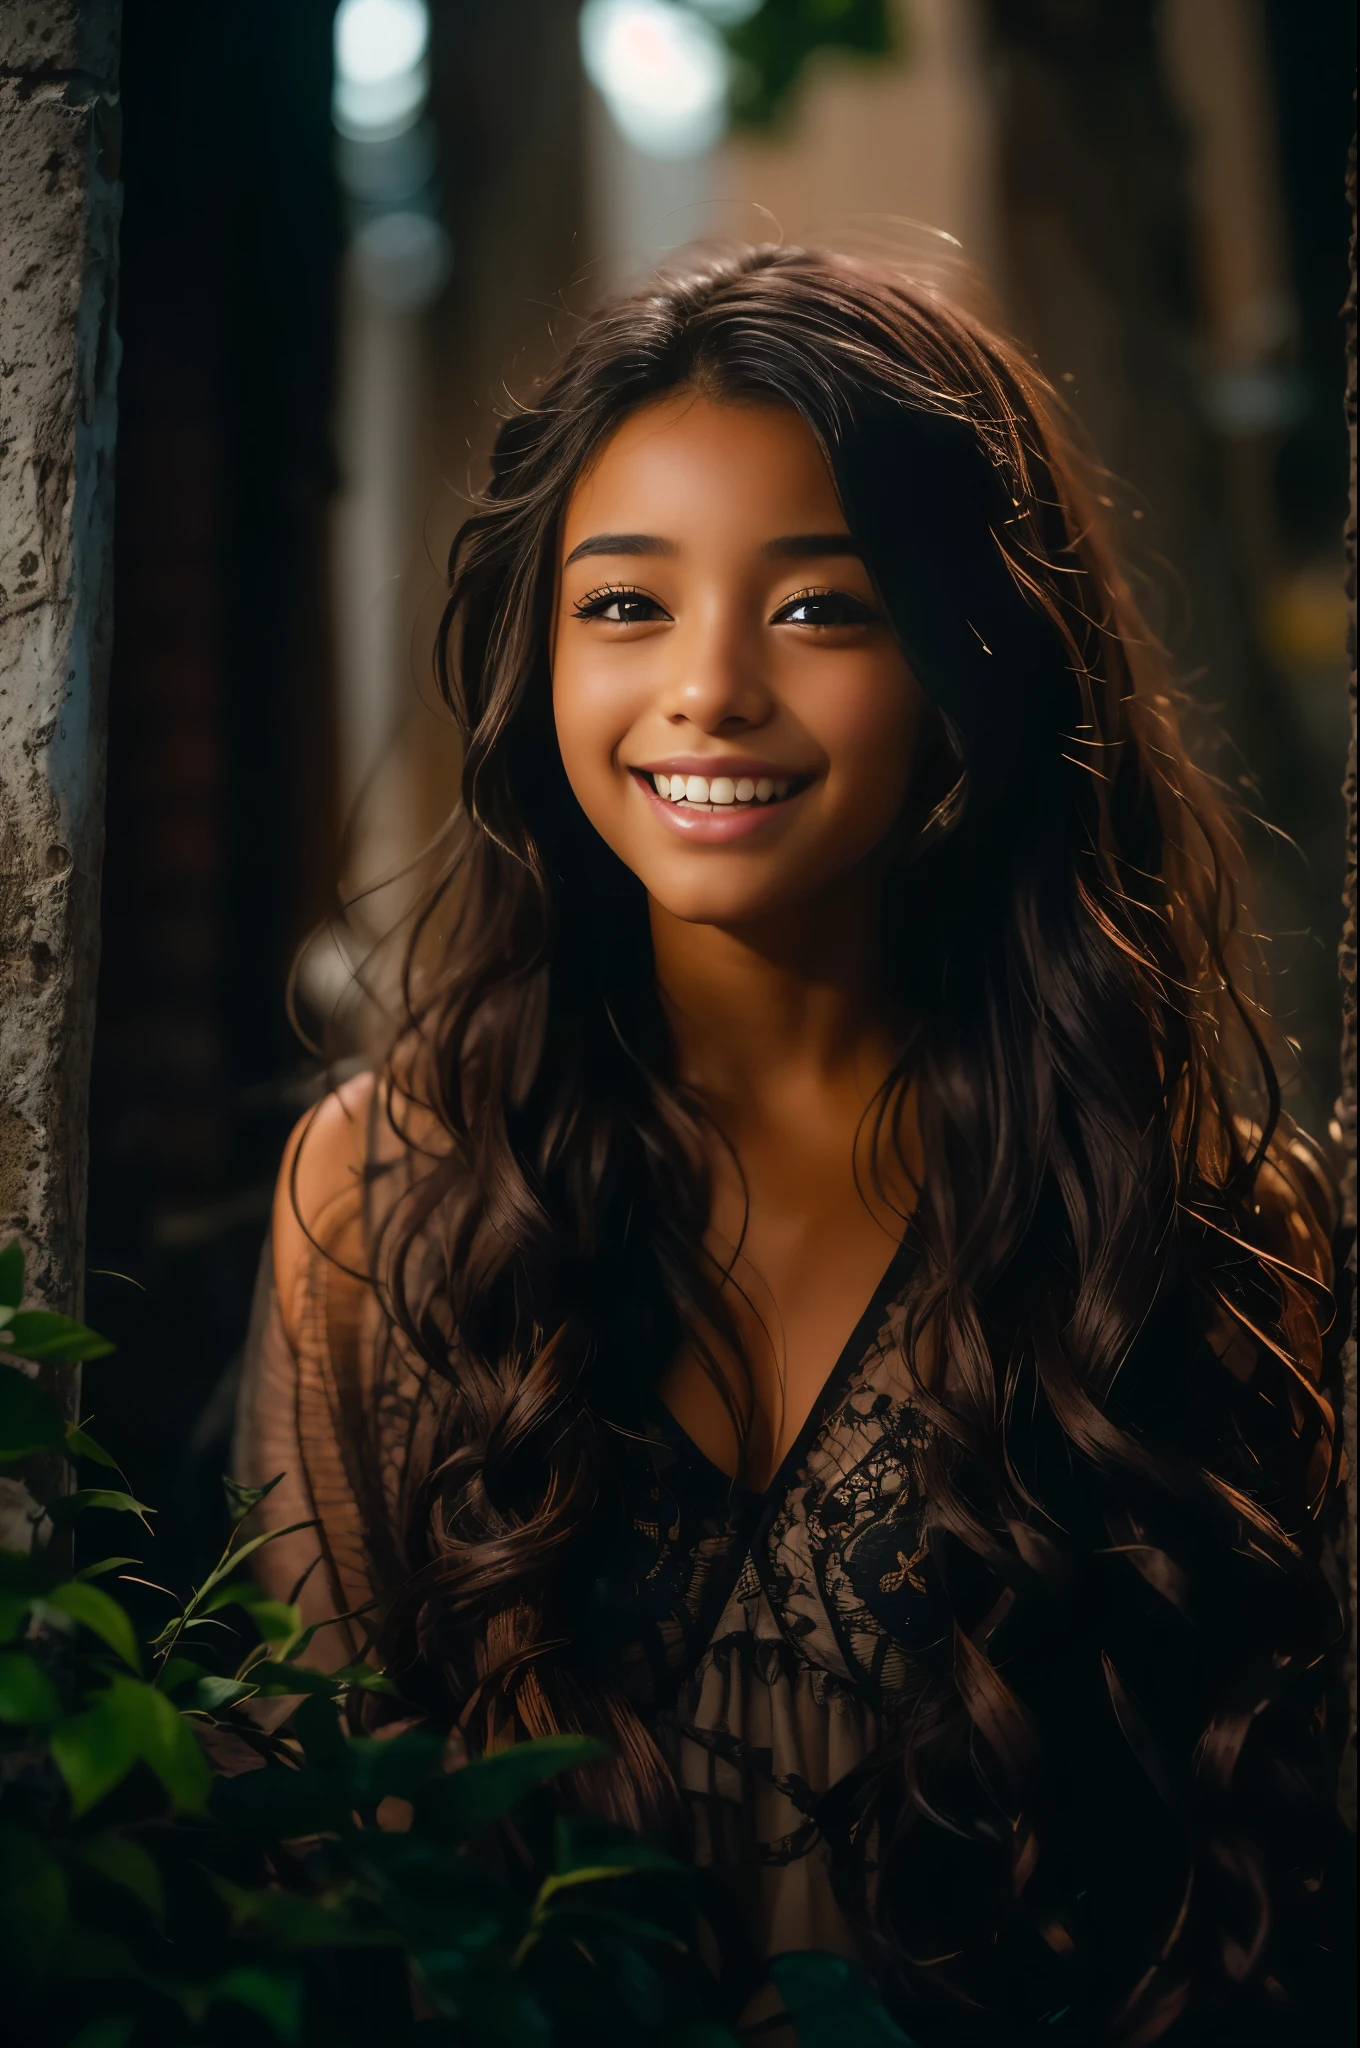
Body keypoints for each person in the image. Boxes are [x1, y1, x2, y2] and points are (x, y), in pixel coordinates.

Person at [235, 245, 1348, 2044]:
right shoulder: (383, 1199)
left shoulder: (1197, 1222)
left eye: (822, 609)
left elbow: (1265, 1901)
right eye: (625, 606)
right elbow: (316, 1882)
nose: (710, 690)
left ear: (974, 655)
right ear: (537, 654)